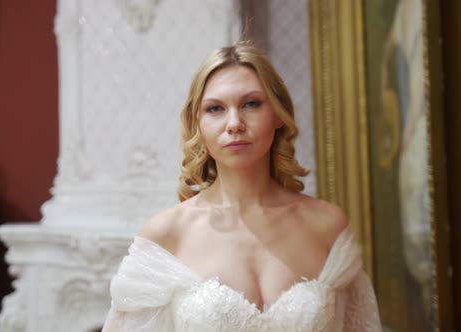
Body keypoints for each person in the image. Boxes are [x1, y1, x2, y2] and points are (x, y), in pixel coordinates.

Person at [102, 41, 381, 331]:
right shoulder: (166, 235)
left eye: (251, 104)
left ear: (277, 114)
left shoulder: (328, 226)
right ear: (197, 123)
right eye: (215, 109)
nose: (234, 123)